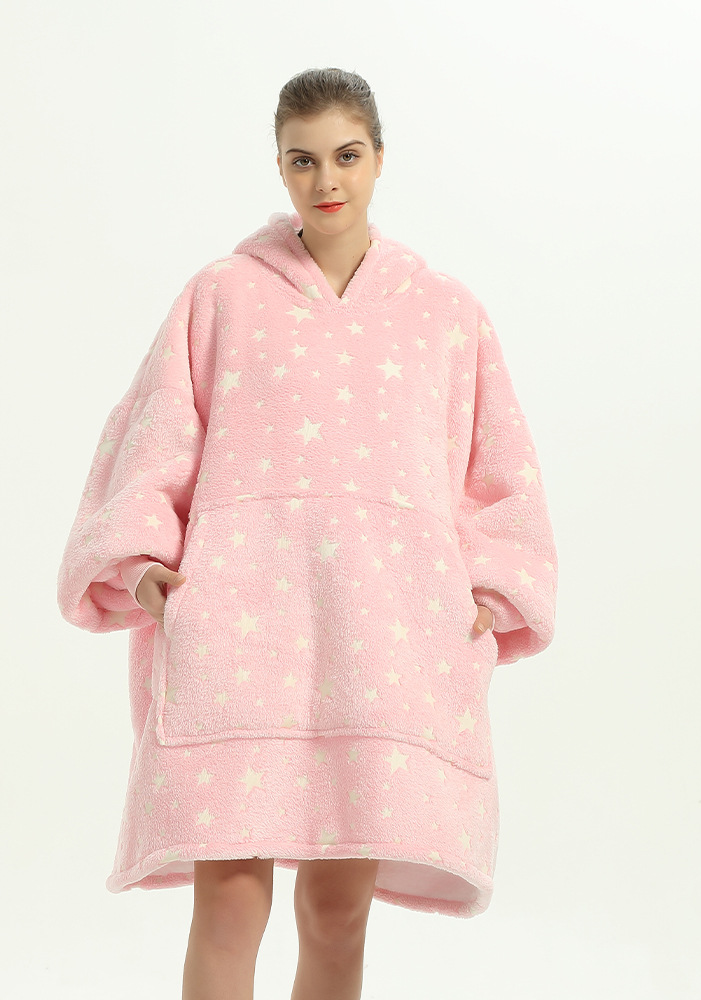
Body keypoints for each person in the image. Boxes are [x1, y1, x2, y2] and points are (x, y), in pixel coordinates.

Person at [56, 66, 558, 1000]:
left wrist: (493, 590)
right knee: (230, 900)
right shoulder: (220, 295)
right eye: (303, 160)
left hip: (386, 633)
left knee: (336, 911)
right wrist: (142, 564)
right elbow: (153, 432)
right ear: (280, 167)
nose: (327, 179)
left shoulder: (447, 314)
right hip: (240, 630)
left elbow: (499, 468)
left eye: (347, 155)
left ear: (380, 159)